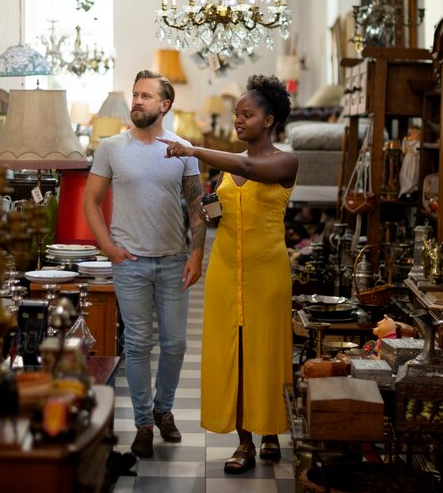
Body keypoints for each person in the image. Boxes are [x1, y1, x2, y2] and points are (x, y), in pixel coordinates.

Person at [159, 74, 298, 475]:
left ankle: (270, 429)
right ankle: (244, 442)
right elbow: (217, 212)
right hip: (226, 269)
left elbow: (246, 166)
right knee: (232, 354)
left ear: (269, 120)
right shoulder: (224, 173)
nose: (239, 120)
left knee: (266, 352)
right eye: (236, 114)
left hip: (267, 271)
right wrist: (206, 211)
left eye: (247, 114)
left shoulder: (285, 162)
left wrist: (193, 148)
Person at [83, 70, 205, 459]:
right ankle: (143, 424)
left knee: (175, 343)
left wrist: (198, 253)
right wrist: (108, 247)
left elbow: (198, 208)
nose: (137, 101)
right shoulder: (111, 148)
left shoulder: (183, 150)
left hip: (172, 261)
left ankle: (164, 408)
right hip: (129, 263)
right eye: (136, 95)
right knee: (137, 344)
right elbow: (91, 201)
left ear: (164, 105)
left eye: (146, 96)